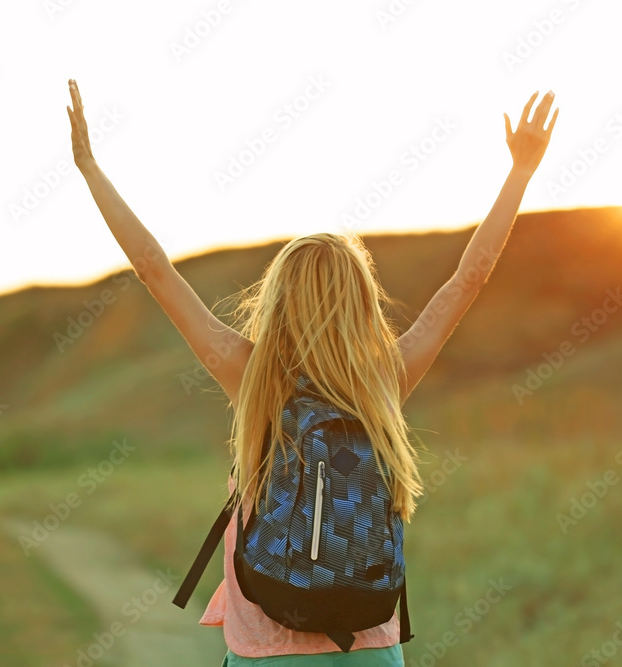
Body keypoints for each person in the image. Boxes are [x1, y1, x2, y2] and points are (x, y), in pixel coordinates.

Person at [67, 78, 557, 665]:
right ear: (360, 300)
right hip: (370, 650)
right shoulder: (384, 382)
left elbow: (154, 270)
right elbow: (468, 278)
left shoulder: (253, 379)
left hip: (266, 652)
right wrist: (520, 172)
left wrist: (90, 168)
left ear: (277, 300)